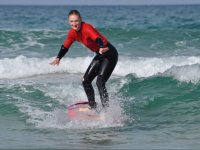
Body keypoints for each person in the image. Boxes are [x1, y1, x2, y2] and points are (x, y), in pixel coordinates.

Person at [50, 10, 118, 109]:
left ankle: (107, 111)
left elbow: (97, 38)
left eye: (76, 21)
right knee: (86, 81)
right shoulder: (72, 33)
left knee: (100, 82)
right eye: (71, 21)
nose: (74, 24)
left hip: (109, 54)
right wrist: (58, 58)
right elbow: (65, 46)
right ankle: (92, 106)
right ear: (69, 22)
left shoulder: (87, 28)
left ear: (81, 20)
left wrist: (101, 46)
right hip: (100, 54)